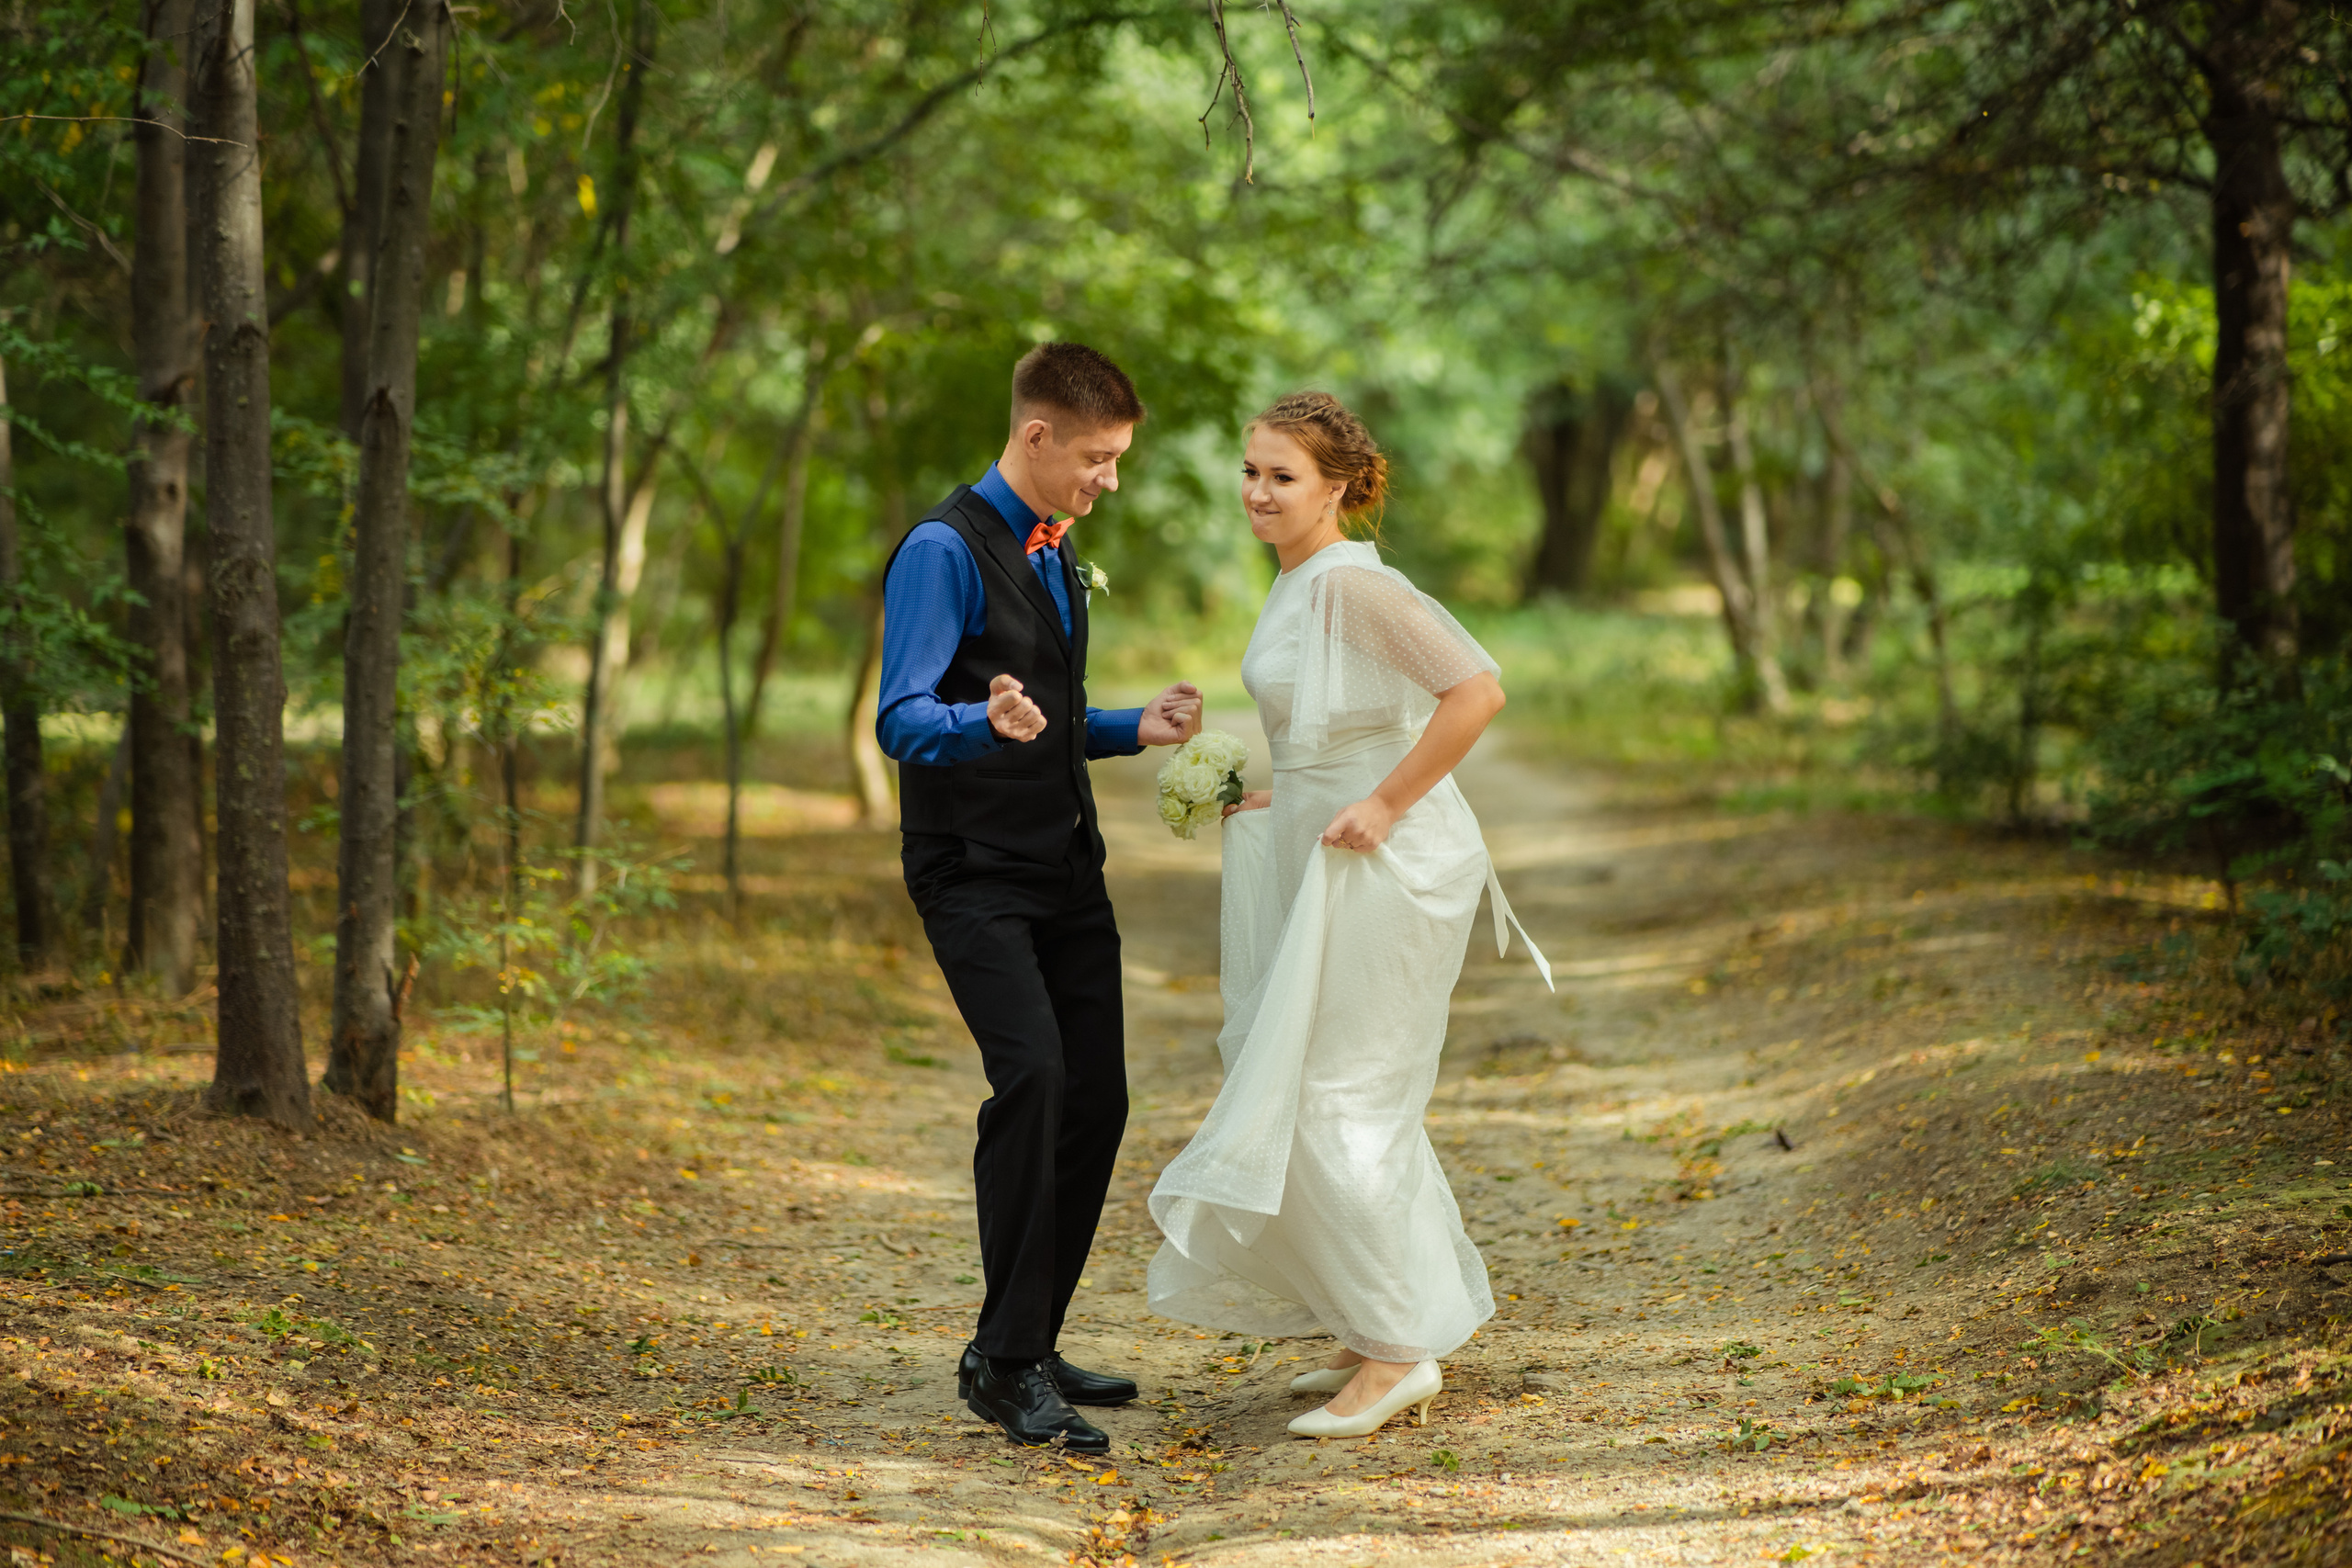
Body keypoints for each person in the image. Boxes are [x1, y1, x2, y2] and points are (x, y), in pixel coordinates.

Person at [1146, 391, 1551, 1439]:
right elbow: (1343, 726)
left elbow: (1475, 692)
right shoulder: (1292, 584)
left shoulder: (1354, 588)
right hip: (1325, 844)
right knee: (1315, 1077)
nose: (1258, 491)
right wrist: (1292, 792)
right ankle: (1371, 1319)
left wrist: (1379, 801)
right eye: (1250, 471)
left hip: (1391, 860)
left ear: (1337, 488)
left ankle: (1397, 1354)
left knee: (1337, 1094)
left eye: (1282, 476)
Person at [877, 342, 1203, 1453]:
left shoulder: (1056, 550)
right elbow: (900, 716)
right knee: (1034, 1080)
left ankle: (1029, 1332)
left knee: (1097, 1101)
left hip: (1066, 865)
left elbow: (1048, 715)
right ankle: (1004, 1367)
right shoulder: (940, 549)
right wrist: (979, 722)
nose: (1109, 479)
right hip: (970, 869)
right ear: (1037, 437)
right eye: (1099, 459)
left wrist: (1130, 729)